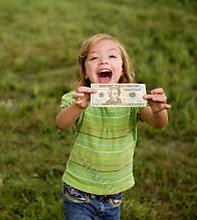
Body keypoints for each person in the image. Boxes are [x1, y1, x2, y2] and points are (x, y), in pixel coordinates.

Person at [55, 33, 171, 220]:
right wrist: (78, 106)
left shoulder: (133, 100)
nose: (103, 62)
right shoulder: (78, 98)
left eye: (111, 56)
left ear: (123, 69)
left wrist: (158, 111)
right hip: (79, 192)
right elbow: (61, 124)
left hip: (114, 194)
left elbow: (158, 124)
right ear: (84, 71)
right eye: (94, 58)